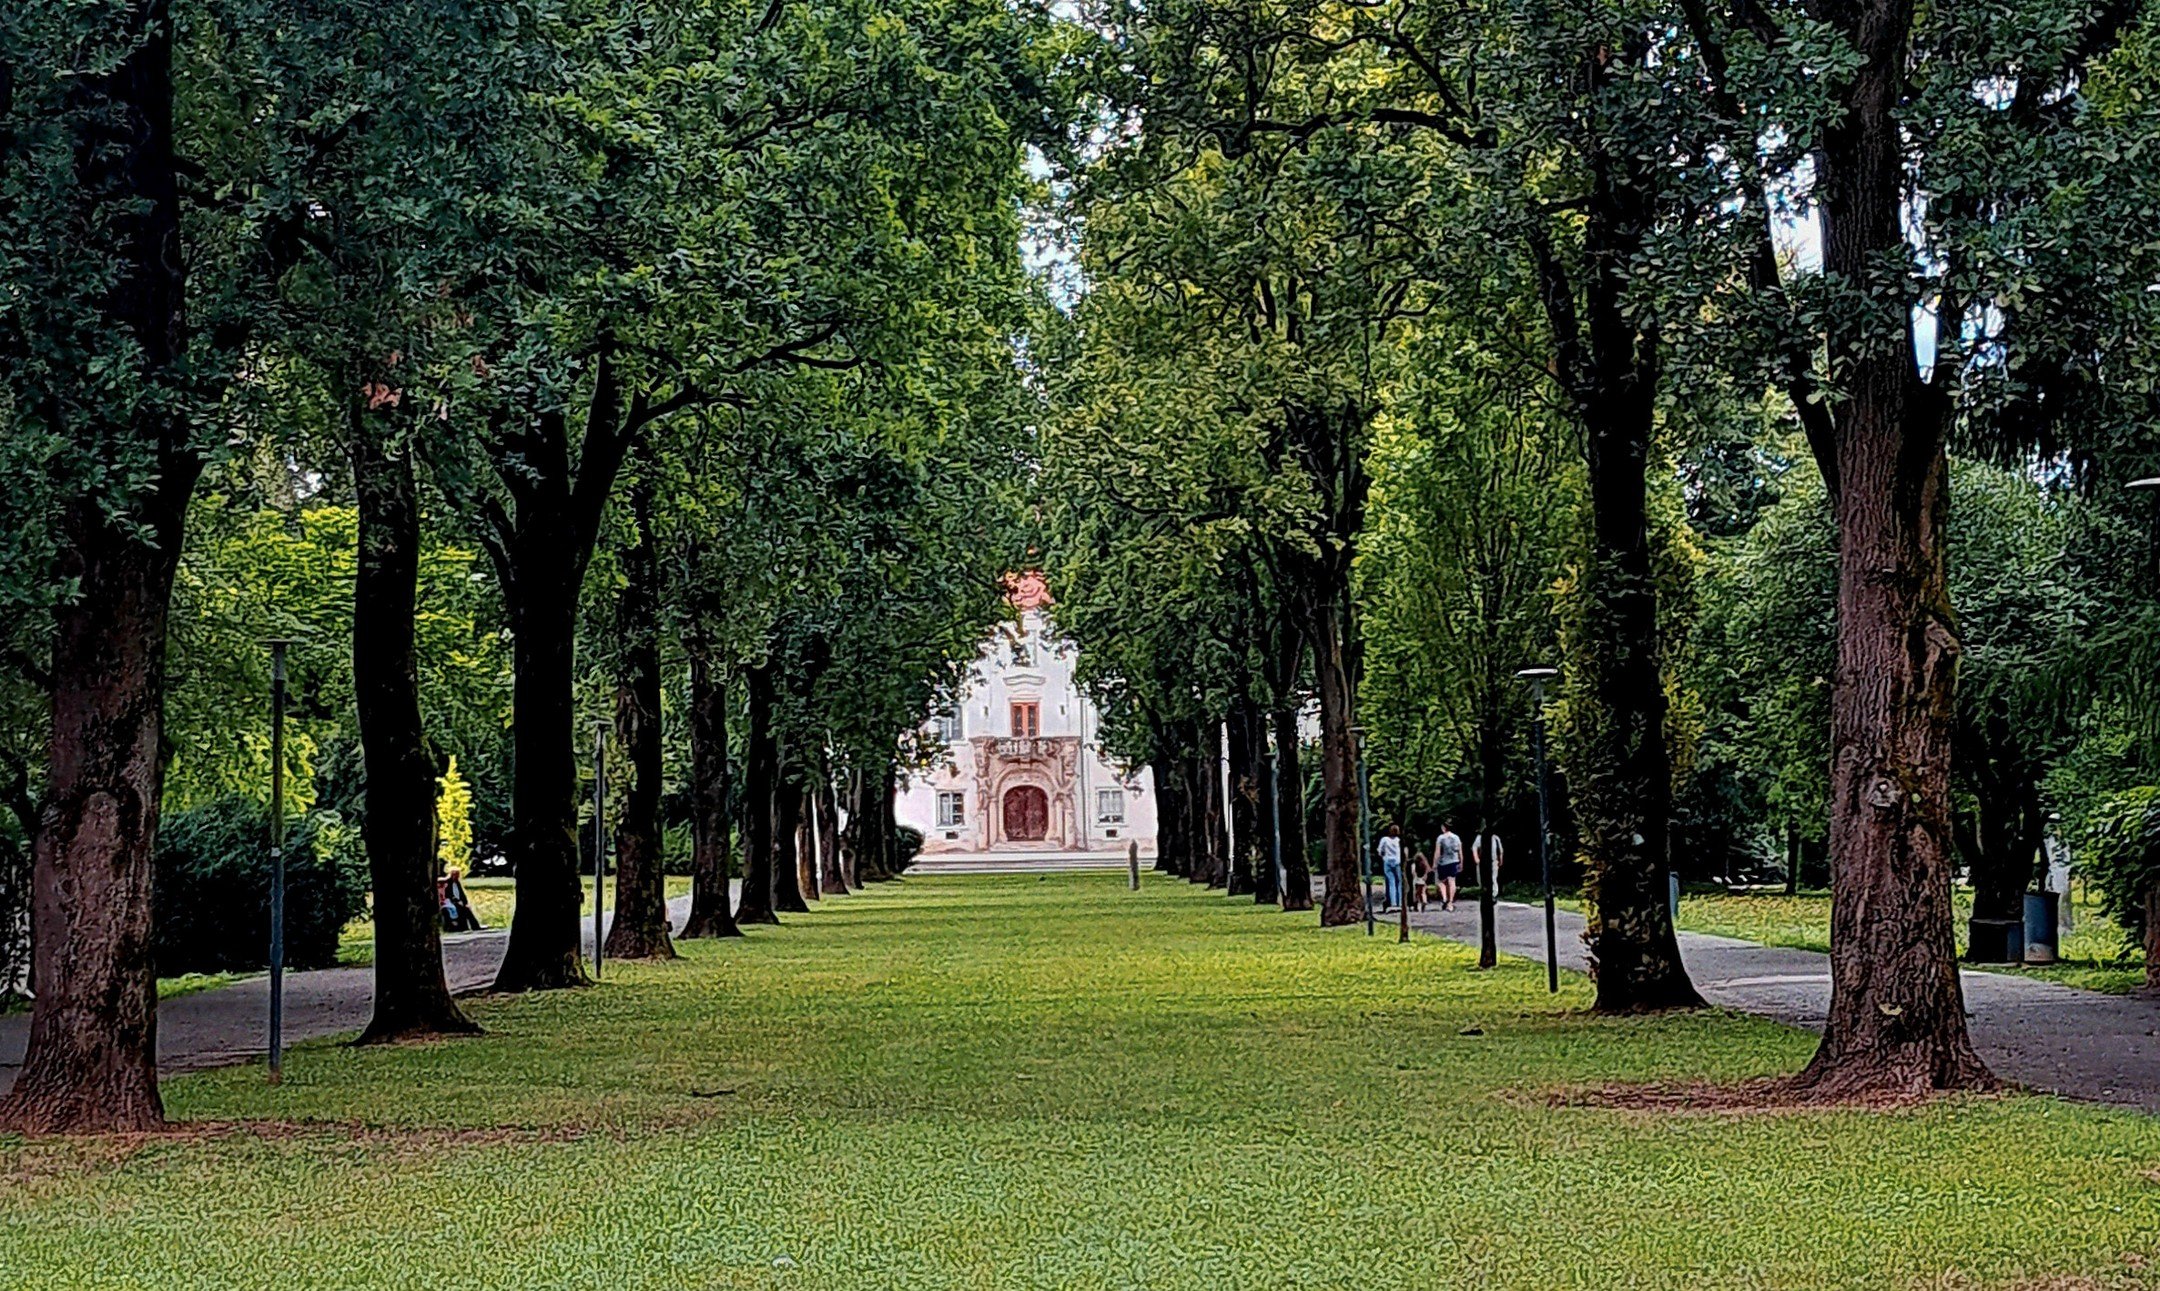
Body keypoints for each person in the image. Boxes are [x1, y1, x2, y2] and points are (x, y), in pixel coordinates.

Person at [1431, 821, 1463, 912]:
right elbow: (1460, 851)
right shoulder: (1456, 837)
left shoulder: (1440, 838)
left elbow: (1437, 852)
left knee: (1441, 882)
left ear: (1443, 827)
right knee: (1452, 881)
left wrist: (1434, 863)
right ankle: (1450, 902)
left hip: (1443, 862)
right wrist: (1461, 862)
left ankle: (1444, 897)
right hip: (1454, 861)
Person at [1377, 824, 1403, 913]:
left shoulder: (1385, 839)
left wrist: (1383, 856)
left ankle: (1393, 903)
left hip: (1387, 861)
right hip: (1397, 862)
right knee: (1399, 882)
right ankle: (1400, 902)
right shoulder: (1398, 840)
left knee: (1391, 882)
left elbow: (1380, 851)